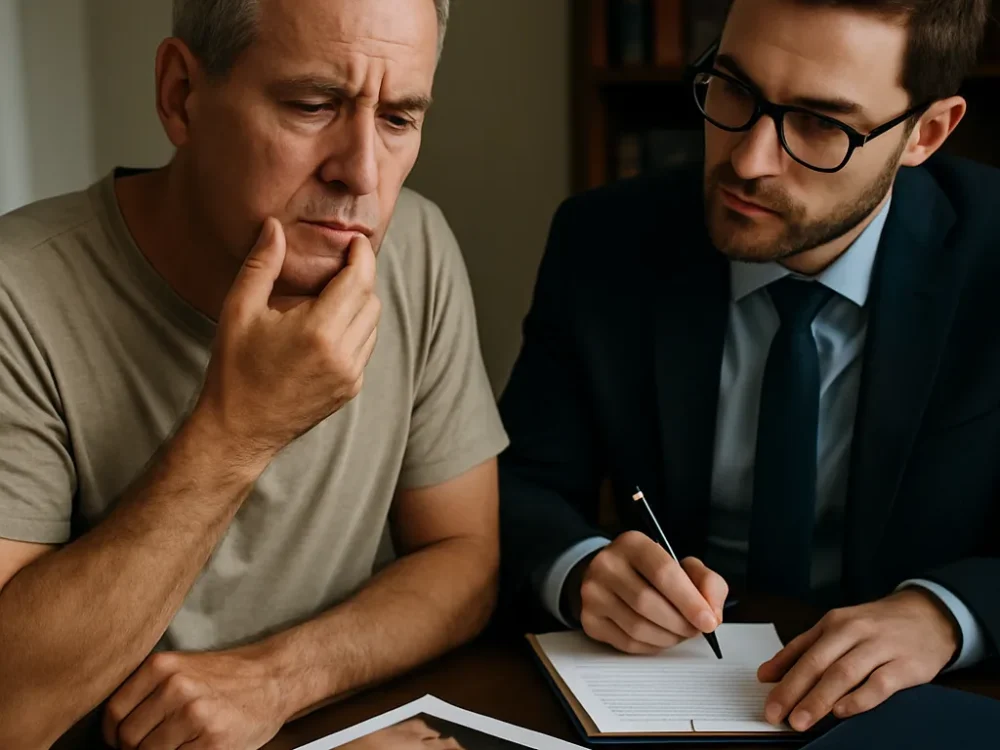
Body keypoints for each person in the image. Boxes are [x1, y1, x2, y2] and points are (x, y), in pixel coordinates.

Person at [0, 0, 508, 747]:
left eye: (399, 118)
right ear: (180, 95)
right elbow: (12, 709)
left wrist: (279, 678)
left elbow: (465, 559)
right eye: (311, 105)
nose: (362, 174)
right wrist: (237, 431)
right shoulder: (19, 295)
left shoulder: (417, 248)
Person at [498, 0, 998, 736]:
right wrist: (577, 569)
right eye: (733, 89)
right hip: (667, 695)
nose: (747, 160)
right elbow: (519, 485)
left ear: (926, 133)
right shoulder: (603, 240)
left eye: (821, 124)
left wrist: (946, 616)